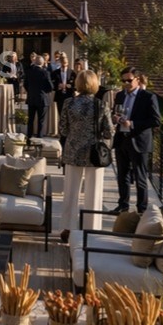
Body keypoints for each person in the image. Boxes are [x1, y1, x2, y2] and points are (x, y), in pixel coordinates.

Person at [58, 68, 113, 243]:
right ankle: (92, 231)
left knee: (70, 193)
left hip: (73, 151)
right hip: (94, 154)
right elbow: (108, 132)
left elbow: (63, 129)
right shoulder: (101, 105)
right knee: (93, 194)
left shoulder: (68, 103)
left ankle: (68, 229)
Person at [110, 67, 161, 214]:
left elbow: (155, 120)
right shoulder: (120, 95)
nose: (126, 83)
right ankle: (123, 205)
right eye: (123, 80)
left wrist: (132, 124)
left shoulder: (148, 97)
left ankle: (141, 209)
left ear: (138, 80)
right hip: (122, 139)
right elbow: (115, 112)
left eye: (129, 80)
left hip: (139, 142)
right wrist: (115, 118)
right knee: (122, 175)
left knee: (140, 178)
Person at [25, 55, 53, 139]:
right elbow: (50, 87)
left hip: (31, 98)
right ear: (43, 63)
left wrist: (30, 91)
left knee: (30, 120)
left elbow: (25, 84)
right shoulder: (45, 72)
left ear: (34, 62)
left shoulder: (29, 72)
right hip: (42, 98)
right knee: (41, 121)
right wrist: (44, 92)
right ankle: (39, 139)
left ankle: (29, 138)